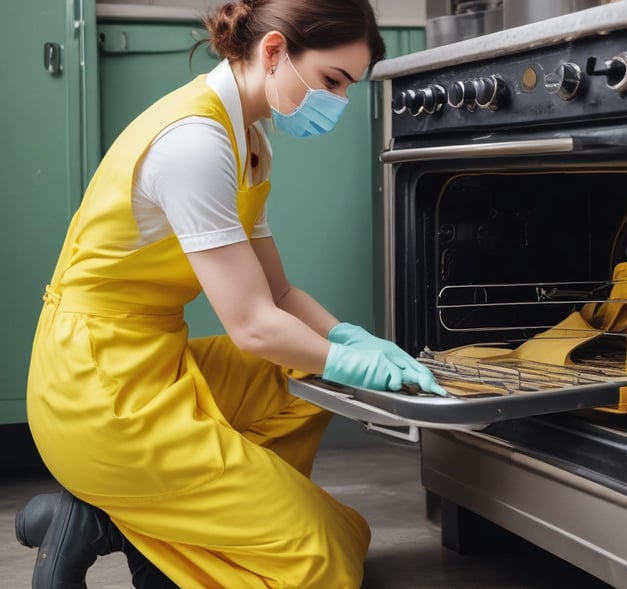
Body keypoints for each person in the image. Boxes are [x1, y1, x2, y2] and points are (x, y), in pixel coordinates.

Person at [14, 0, 445, 587]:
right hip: (96, 393)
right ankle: (134, 524)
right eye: (331, 82)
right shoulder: (195, 144)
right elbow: (253, 326)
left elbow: (279, 293)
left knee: (310, 378)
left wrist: (352, 339)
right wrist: (350, 360)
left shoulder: (249, 141)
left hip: (151, 365)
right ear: (274, 53)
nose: (338, 103)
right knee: (322, 561)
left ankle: (139, 529)